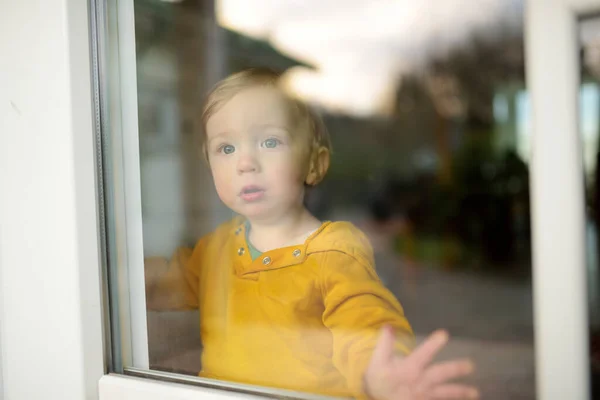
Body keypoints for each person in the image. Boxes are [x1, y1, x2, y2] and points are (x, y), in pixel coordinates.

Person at [145, 68, 478, 399]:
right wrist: (114, 276)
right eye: (226, 148)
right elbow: (164, 282)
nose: (245, 162)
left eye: (269, 141)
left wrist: (378, 372)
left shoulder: (334, 251)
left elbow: (363, 320)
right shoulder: (214, 249)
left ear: (314, 164)